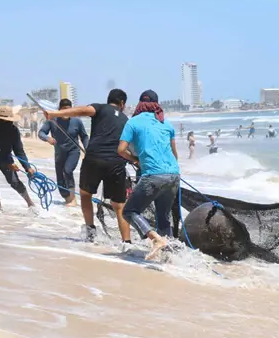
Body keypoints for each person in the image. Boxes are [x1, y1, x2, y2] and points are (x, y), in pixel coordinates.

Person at [44, 89, 131, 246]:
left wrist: (54, 114)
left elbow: (82, 110)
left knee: (85, 195)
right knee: (119, 206)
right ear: (122, 103)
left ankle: (90, 232)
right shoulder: (126, 119)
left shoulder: (100, 108)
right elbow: (128, 145)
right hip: (116, 162)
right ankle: (127, 242)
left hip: (94, 159)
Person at [118, 90, 180, 260]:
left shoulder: (133, 122)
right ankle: (169, 258)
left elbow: (121, 150)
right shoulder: (166, 123)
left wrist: (135, 160)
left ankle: (155, 239)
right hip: (173, 175)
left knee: (129, 211)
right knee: (163, 217)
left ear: (140, 104)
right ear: (156, 105)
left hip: (153, 175)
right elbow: (174, 154)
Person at [0, 106, 36, 212]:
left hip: (5, 156)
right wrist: (7, 163)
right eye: (7, 121)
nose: (10, 123)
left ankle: (30, 204)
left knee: (14, 181)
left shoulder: (13, 131)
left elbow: (19, 150)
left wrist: (27, 167)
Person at [38, 98, 89, 206]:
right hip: (59, 154)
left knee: (68, 170)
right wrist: (47, 138)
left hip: (73, 151)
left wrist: (87, 148)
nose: (66, 111)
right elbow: (41, 133)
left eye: (69, 109)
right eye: (64, 109)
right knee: (60, 181)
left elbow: (84, 136)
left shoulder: (77, 121)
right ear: (59, 110)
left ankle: (73, 199)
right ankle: (67, 199)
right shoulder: (52, 120)